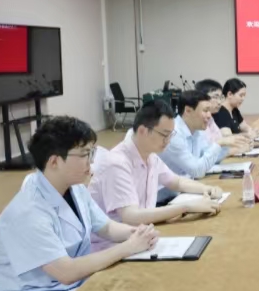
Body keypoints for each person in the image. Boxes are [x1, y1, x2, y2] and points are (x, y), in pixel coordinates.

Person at [0, 116, 159, 291]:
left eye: (91, 153)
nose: (91, 162)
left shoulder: (74, 188)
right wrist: (128, 247)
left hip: (59, 287)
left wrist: (137, 233)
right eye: (84, 154)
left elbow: (106, 227)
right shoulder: (27, 211)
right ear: (55, 161)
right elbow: (66, 272)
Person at [89, 100, 223, 242]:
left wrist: (207, 189)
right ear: (143, 131)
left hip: (142, 236)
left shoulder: (150, 156)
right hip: (113, 244)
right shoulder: (117, 163)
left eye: (171, 135)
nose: (168, 141)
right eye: (164, 135)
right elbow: (131, 216)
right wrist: (187, 207)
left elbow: (176, 182)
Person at [159, 90, 249, 178]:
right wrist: (219, 143)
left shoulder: (197, 130)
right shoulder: (173, 134)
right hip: (171, 188)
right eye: (205, 111)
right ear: (188, 111)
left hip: (188, 184)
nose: (209, 115)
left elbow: (206, 157)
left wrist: (226, 145)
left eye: (209, 111)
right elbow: (196, 171)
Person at [195, 79, 253, 148]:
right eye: (215, 97)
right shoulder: (219, 112)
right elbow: (224, 141)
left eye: (220, 98)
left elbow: (221, 141)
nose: (219, 102)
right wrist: (243, 139)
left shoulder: (210, 119)